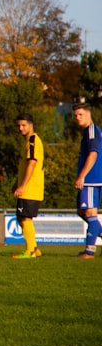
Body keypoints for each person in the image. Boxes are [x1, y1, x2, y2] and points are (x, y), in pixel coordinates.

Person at [72, 98, 102, 259]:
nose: (77, 117)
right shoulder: (89, 131)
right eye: (75, 115)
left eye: (80, 114)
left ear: (88, 114)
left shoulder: (91, 130)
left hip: (91, 178)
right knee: (81, 211)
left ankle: (89, 251)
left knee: (90, 212)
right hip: (91, 178)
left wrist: (82, 176)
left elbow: (93, 153)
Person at [12, 113, 44, 259]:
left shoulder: (32, 141)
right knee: (21, 217)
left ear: (31, 125)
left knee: (25, 218)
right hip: (28, 187)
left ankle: (30, 250)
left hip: (30, 187)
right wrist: (16, 183)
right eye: (19, 125)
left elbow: (32, 163)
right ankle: (34, 248)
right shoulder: (27, 141)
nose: (20, 128)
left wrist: (23, 186)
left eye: (24, 125)